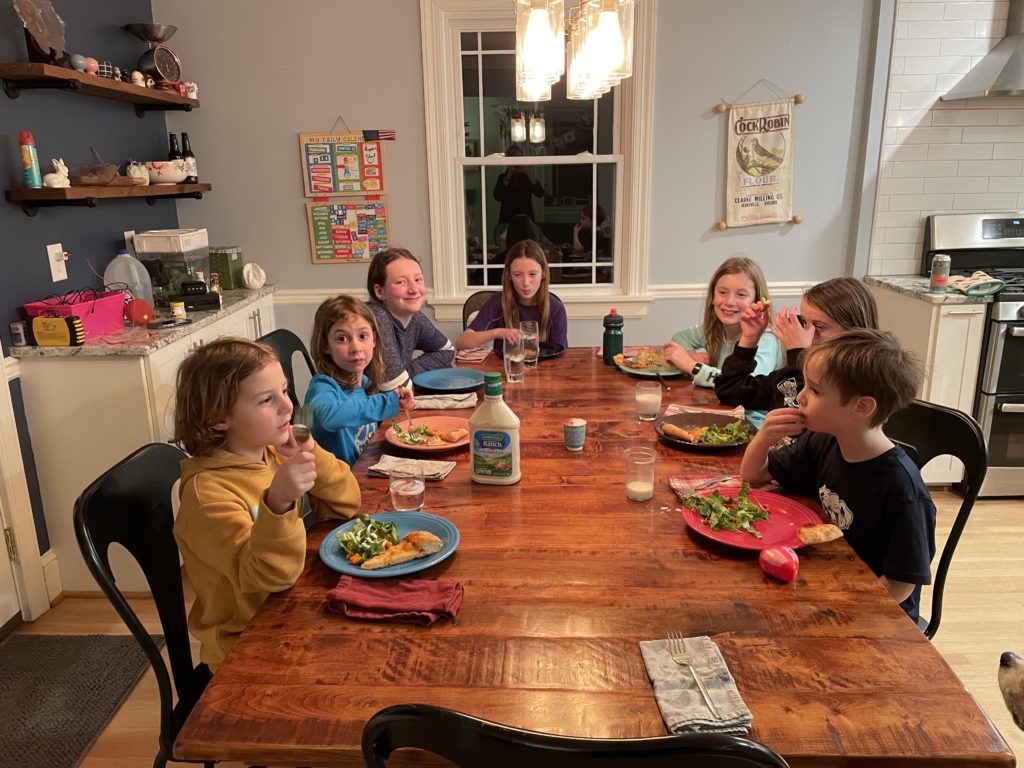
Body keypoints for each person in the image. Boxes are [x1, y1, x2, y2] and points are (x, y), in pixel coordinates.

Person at [172, 337, 361, 672]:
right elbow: (269, 578)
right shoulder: (208, 497)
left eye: (285, 391)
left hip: (298, 609)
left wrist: (310, 452)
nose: (288, 407)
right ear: (219, 417)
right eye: (266, 400)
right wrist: (279, 503)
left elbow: (348, 501)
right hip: (247, 647)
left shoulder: (273, 452)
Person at [740, 329, 934, 623]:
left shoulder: (902, 490)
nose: (800, 397)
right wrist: (763, 437)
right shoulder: (826, 442)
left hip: (875, 615)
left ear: (861, 407)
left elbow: (901, 585)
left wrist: (837, 610)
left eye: (815, 391)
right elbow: (754, 476)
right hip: (826, 576)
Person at [715, 277, 879, 423]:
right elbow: (731, 391)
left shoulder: (852, 383)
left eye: (819, 326)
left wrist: (799, 354)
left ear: (853, 331)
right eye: (805, 323)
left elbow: (794, 423)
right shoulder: (793, 372)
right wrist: (749, 339)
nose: (807, 332)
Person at [305, 295, 416, 466]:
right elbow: (323, 417)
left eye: (363, 336)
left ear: (374, 340)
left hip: (366, 472)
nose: (356, 348)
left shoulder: (364, 383)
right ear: (325, 345)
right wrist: (386, 402)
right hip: (339, 489)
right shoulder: (323, 386)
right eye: (342, 339)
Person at [663, 255, 783, 388]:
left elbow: (744, 384)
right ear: (713, 296)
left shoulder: (766, 337)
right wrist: (692, 355)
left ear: (757, 300)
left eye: (741, 294)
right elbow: (679, 338)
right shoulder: (715, 328)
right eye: (723, 292)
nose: (730, 302)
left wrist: (691, 365)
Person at [456, 239, 568, 355]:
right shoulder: (497, 303)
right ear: (509, 275)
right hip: (506, 370)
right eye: (518, 275)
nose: (525, 282)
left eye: (532, 274)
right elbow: (461, 342)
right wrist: (497, 333)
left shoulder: (556, 308)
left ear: (543, 273)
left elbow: (561, 357)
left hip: (547, 371)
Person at [366, 247, 455, 390]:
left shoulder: (415, 317)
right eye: (401, 282)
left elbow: (448, 351)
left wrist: (407, 371)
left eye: (418, 279)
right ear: (380, 291)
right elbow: (401, 390)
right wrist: (405, 378)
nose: (414, 289)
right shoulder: (375, 318)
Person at [493, 146, 546, 241]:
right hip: (507, 220)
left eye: (518, 157)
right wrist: (507, 177)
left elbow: (540, 193)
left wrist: (530, 174)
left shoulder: (527, 177)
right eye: (512, 157)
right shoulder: (503, 177)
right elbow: (497, 196)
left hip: (526, 220)